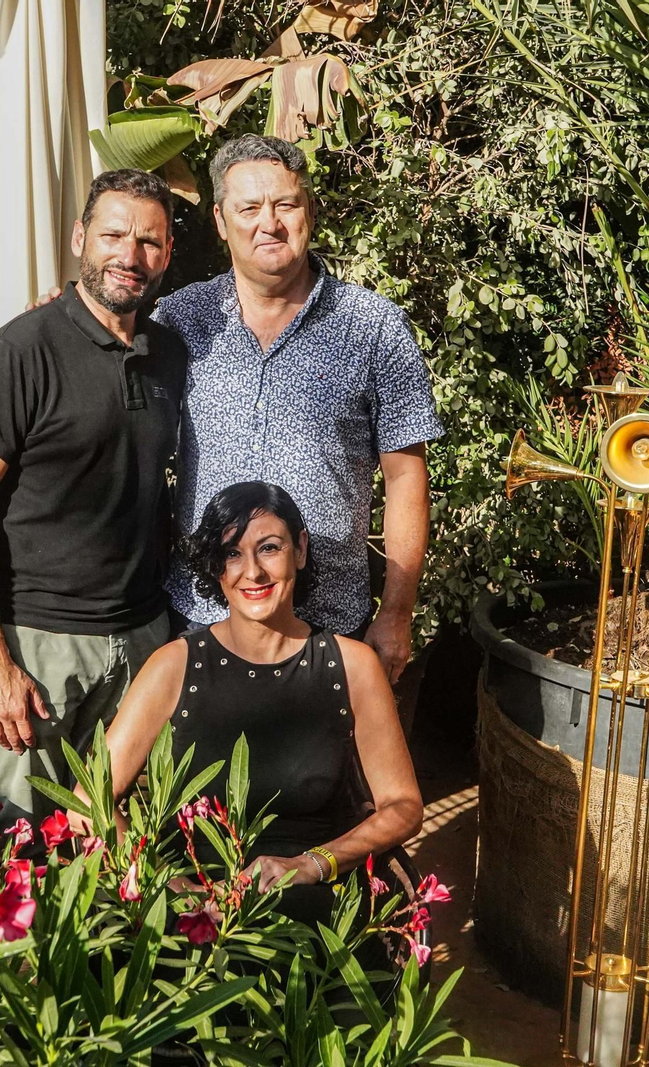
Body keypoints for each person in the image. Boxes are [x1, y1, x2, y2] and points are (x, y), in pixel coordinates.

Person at [0, 169, 185, 835]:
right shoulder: (21, 350)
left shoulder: (170, 353)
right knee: (19, 848)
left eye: (149, 241)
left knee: (123, 849)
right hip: (37, 647)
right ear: (79, 238)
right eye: (113, 235)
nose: (130, 255)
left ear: (167, 254)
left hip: (143, 641)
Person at [159, 135, 443, 685]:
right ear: (220, 221)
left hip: (329, 628)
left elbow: (406, 477)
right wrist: (60, 308)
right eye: (249, 208)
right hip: (202, 619)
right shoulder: (179, 321)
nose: (269, 223)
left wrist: (396, 612)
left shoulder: (373, 327)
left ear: (309, 210)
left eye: (285, 204)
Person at [79, 481, 423, 904]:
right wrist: (168, 885)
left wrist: (312, 864)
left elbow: (403, 806)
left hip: (313, 891)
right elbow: (89, 799)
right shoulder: (174, 666)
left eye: (269, 548)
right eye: (232, 553)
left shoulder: (352, 666)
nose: (253, 572)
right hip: (191, 897)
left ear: (300, 549)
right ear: (216, 567)